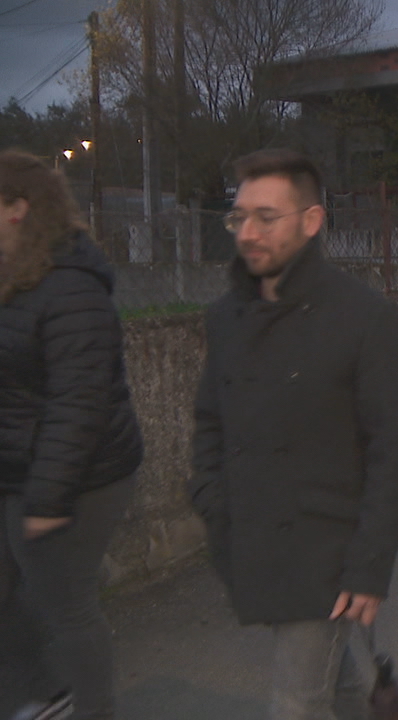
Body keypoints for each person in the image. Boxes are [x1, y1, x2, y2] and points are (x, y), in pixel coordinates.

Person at [189, 149, 398, 720]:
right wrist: (212, 501)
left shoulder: (364, 318)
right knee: (345, 682)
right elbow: (210, 422)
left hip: (326, 549)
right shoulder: (225, 317)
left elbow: (392, 453)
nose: (248, 232)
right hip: (252, 538)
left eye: (267, 217)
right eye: (239, 217)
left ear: (311, 221)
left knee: (296, 700)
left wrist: (369, 566)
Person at [0, 150, 142, 720]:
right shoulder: (13, 278)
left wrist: (49, 497)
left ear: (18, 209)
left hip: (82, 477)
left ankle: (86, 706)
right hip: (19, 466)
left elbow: (78, 405)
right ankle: (41, 693)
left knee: (68, 606)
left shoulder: (72, 289)